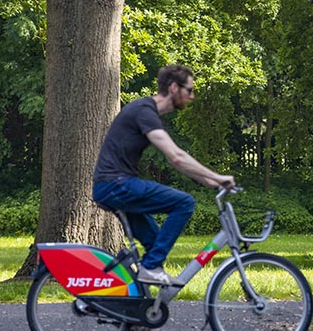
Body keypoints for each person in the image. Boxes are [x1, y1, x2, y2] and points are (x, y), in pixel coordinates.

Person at [92, 65, 235, 287]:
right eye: (189, 90)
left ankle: (139, 312)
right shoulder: (145, 111)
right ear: (174, 87)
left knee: (153, 242)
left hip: (112, 186)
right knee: (184, 203)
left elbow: (175, 160)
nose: (192, 96)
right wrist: (217, 176)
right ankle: (150, 269)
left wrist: (208, 181)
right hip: (115, 184)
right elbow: (176, 156)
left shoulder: (149, 114)